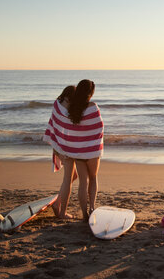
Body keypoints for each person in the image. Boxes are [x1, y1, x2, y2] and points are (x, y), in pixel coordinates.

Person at [44, 79, 104, 221]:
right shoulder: (92, 107)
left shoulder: (71, 108)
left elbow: (63, 125)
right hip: (90, 151)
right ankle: (91, 209)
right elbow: (99, 127)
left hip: (73, 151)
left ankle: (83, 215)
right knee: (93, 179)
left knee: (81, 182)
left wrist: (62, 146)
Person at [47, 85, 76, 219]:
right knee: (67, 178)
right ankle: (62, 212)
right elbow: (57, 127)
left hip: (61, 146)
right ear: (67, 97)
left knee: (73, 176)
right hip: (64, 148)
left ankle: (58, 202)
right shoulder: (63, 110)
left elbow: (55, 126)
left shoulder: (58, 105)